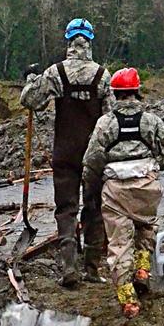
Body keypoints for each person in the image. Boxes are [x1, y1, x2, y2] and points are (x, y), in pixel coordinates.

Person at [81, 68, 164, 318]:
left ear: (115, 94)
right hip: (147, 186)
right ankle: (142, 270)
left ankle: (128, 300)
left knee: (120, 245)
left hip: (115, 191)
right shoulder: (151, 121)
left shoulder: (105, 123)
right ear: (136, 91)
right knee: (147, 226)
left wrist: (90, 189)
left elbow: (91, 160)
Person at [20, 18, 111, 288]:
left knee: (66, 209)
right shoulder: (102, 76)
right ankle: (92, 270)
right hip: (94, 154)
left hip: (65, 152)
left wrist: (31, 79)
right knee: (94, 209)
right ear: (90, 41)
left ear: (69, 41)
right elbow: (110, 119)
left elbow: (30, 101)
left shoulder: (55, 73)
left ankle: (69, 267)